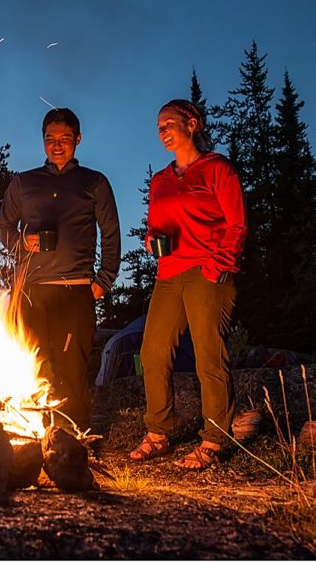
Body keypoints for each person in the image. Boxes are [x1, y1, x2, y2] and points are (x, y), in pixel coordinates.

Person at [129, 99, 247, 470]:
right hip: (168, 274)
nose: (162, 131)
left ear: (192, 124)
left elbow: (237, 225)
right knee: (152, 353)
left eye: (169, 124)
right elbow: (154, 228)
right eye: (158, 127)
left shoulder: (217, 168)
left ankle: (215, 439)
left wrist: (215, 268)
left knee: (208, 355)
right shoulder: (161, 180)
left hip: (207, 270)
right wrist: (151, 241)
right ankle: (158, 433)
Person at [0, 108, 121, 430]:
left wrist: (104, 281)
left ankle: (75, 437)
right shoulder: (24, 183)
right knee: (28, 366)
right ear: (43, 141)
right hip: (31, 291)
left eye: (64, 139)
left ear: (77, 139)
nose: (57, 145)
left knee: (71, 371)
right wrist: (23, 241)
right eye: (50, 139)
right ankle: (29, 434)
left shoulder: (93, 182)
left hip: (74, 289)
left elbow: (111, 231)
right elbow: (4, 226)